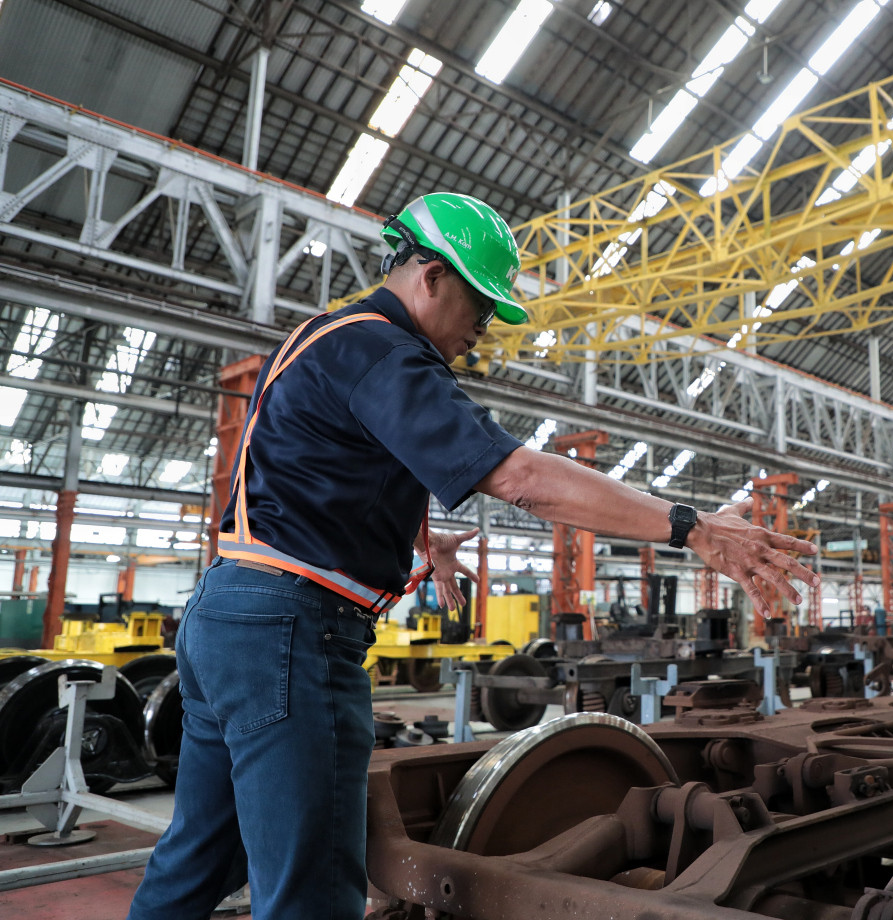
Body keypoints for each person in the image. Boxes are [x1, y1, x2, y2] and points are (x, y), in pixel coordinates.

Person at [126, 192, 818, 920]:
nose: (481, 333)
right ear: (432, 277)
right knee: (313, 890)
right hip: (290, 635)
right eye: (481, 308)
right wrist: (692, 528)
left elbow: (308, 469)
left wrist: (419, 538)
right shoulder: (386, 353)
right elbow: (520, 478)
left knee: (199, 856)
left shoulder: (322, 338)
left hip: (225, 619)